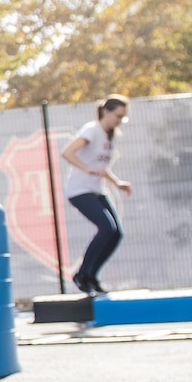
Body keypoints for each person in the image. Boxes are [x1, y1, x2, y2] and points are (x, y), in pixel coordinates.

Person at [59, 95, 134, 296]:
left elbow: (101, 167)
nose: (119, 120)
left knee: (116, 233)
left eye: (123, 117)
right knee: (106, 227)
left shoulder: (109, 137)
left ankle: (91, 276)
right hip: (79, 190)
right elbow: (67, 152)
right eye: (118, 116)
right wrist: (87, 169)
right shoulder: (92, 130)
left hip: (97, 190)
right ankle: (82, 273)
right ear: (106, 112)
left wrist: (117, 183)